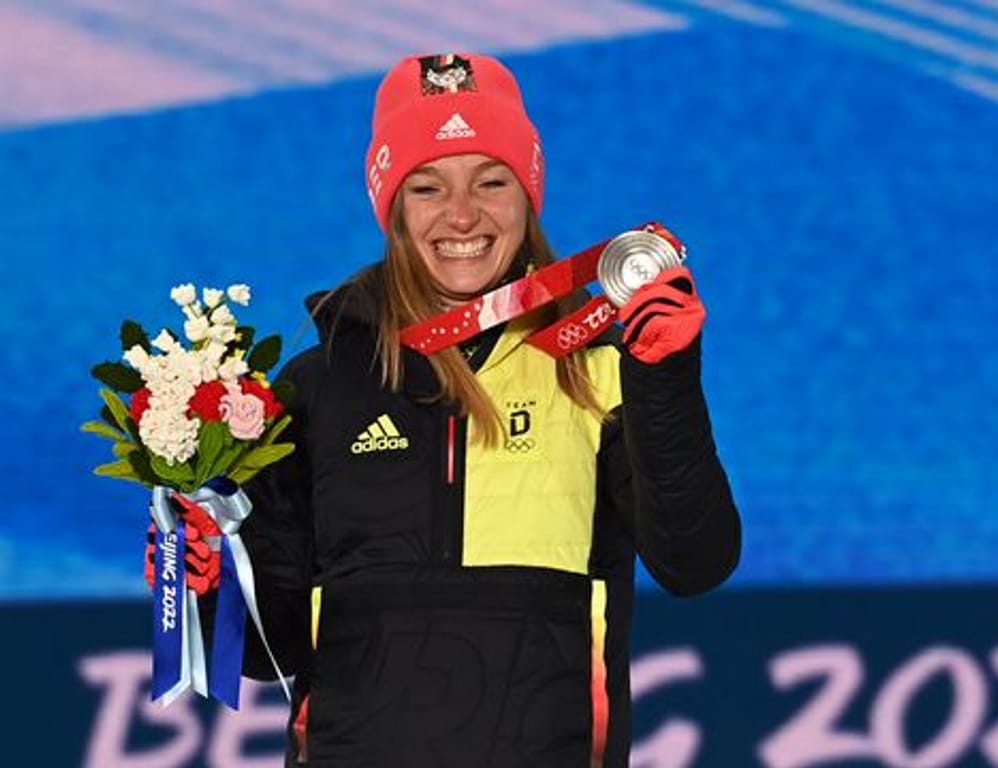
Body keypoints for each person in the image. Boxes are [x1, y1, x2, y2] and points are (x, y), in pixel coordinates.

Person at [150, 52, 740, 767]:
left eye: (492, 182)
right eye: (427, 187)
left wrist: (666, 379)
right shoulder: (318, 386)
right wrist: (205, 583)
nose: (463, 215)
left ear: (528, 194)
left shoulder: (598, 370)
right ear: (392, 208)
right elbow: (269, 648)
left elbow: (695, 563)